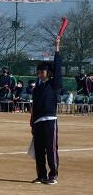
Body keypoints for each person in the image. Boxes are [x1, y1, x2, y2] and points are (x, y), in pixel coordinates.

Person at [30, 37, 62, 185]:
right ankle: (41, 175)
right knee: (39, 150)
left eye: (42, 71)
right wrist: (32, 123)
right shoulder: (37, 88)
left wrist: (57, 48)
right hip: (37, 122)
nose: (40, 73)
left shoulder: (54, 85)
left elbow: (58, 68)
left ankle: (53, 175)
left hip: (49, 120)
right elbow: (34, 107)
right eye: (38, 71)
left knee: (51, 149)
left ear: (48, 72)